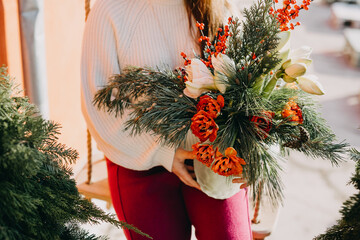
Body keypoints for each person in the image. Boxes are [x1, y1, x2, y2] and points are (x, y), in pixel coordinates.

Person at [80, 0, 252, 239]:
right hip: (139, 159)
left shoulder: (219, 7)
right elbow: (100, 106)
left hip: (214, 155)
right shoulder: (111, 10)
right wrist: (163, 151)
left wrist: (256, 151)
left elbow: (254, 90)